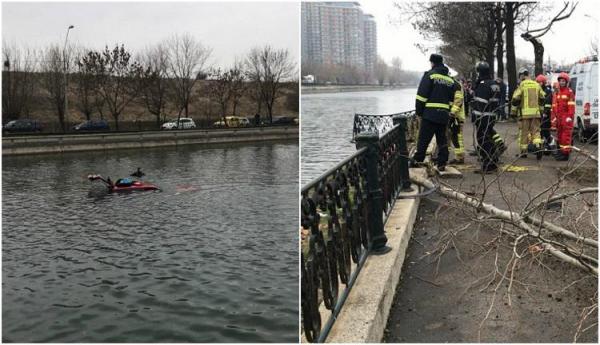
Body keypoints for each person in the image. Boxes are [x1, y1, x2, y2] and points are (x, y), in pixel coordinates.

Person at [411, 53, 457, 172]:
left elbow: (421, 96)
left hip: (430, 115)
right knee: (442, 139)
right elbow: (452, 99)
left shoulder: (430, 75)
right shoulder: (449, 80)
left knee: (424, 139)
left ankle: (418, 160)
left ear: (432, 63)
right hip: (443, 115)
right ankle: (442, 162)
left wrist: (419, 112)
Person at [471, 61, 501, 173]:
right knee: (488, 138)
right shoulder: (493, 84)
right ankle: (494, 159)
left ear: (479, 71)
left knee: (482, 139)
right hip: (492, 115)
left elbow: (480, 103)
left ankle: (489, 165)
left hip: (483, 117)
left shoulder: (483, 84)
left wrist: (476, 116)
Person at [511, 67, 545, 160]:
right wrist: (541, 111)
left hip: (524, 115)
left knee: (524, 133)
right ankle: (538, 146)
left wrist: (513, 112)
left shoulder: (522, 85)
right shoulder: (536, 84)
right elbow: (542, 98)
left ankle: (523, 153)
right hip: (536, 114)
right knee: (536, 132)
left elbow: (515, 99)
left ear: (522, 75)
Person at [551, 72, 575, 161]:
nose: (561, 82)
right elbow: (555, 105)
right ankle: (561, 152)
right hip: (560, 118)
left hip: (566, 118)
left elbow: (571, 106)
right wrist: (555, 117)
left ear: (566, 82)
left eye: (563, 81)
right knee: (560, 136)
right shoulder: (558, 93)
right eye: (560, 81)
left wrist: (569, 116)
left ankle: (565, 154)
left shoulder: (569, 92)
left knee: (566, 137)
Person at [448, 77, 466, 164]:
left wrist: (452, 113)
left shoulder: (456, 85)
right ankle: (459, 156)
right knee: (454, 137)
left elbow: (458, 101)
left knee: (457, 137)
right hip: (456, 116)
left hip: (457, 117)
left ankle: (460, 157)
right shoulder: (455, 84)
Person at [536, 74, 554, 154]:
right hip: (539, 114)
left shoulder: (548, 91)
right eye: (537, 82)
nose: (537, 84)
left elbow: (548, 103)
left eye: (539, 82)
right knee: (540, 132)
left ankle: (550, 145)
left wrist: (545, 112)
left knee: (545, 131)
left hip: (546, 115)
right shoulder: (537, 90)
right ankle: (542, 147)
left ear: (543, 82)